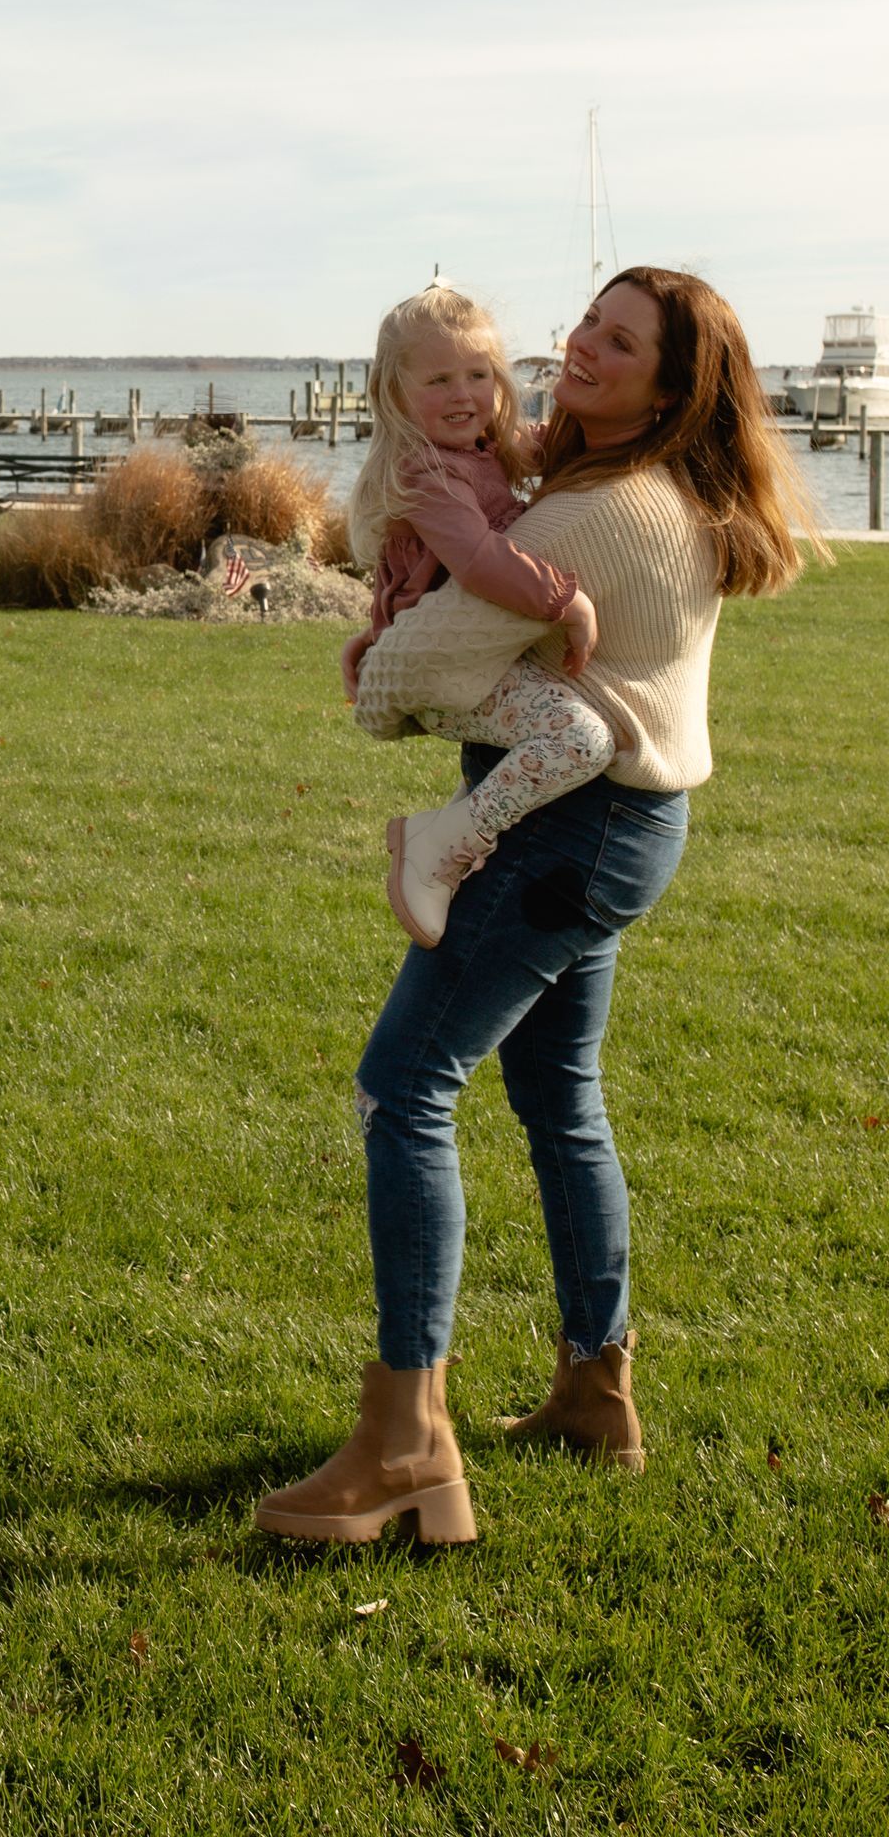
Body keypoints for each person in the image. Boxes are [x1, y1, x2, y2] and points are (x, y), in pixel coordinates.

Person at [256, 269, 817, 1550]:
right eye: (585, 322)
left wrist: (371, 669)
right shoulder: (614, 482)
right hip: (625, 824)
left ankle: (405, 1442)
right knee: (557, 1096)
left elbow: (419, 671)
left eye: (620, 342)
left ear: (673, 387)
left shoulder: (602, 513)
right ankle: (594, 1391)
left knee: (406, 1087)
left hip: (573, 830)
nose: (583, 347)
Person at [340, 287, 607, 948]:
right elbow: (481, 560)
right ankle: (437, 846)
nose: (463, 394)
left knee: (552, 739)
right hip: (442, 675)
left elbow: (543, 450)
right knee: (581, 739)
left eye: (478, 375)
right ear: (394, 394)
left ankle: (464, 817)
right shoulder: (424, 471)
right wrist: (563, 600)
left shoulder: (484, 445)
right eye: (438, 380)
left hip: (477, 664)